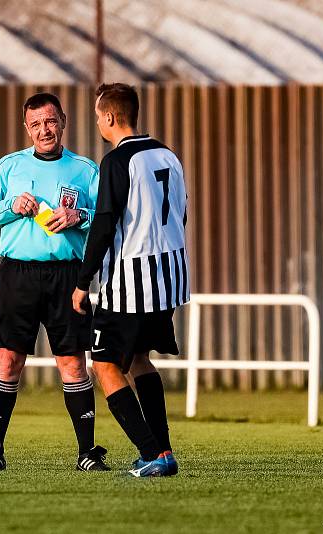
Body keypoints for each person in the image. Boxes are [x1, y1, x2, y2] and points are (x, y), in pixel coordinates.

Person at [0, 92, 108, 472]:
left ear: (63, 121)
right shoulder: (9, 166)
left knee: (73, 364)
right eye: (36, 124)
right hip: (18, 273)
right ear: (26, 127)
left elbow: (108, 217)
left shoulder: (85, 170)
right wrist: (10, 207)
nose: (44, 130)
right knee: (8, 359)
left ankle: (86, 453)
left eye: (50, 121)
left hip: (68, 276)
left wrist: (80, 215)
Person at [72, 83, 189, 477]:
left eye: (97, 115)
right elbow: (181, 216)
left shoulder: (118, 161)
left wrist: (81, 282)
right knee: (140, 359)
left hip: (128, 284)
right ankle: (163, 450)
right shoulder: (168, 155)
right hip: (168, 277)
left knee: (104, 365)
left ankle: (154, 454)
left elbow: (104, 224)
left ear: (108, 116)